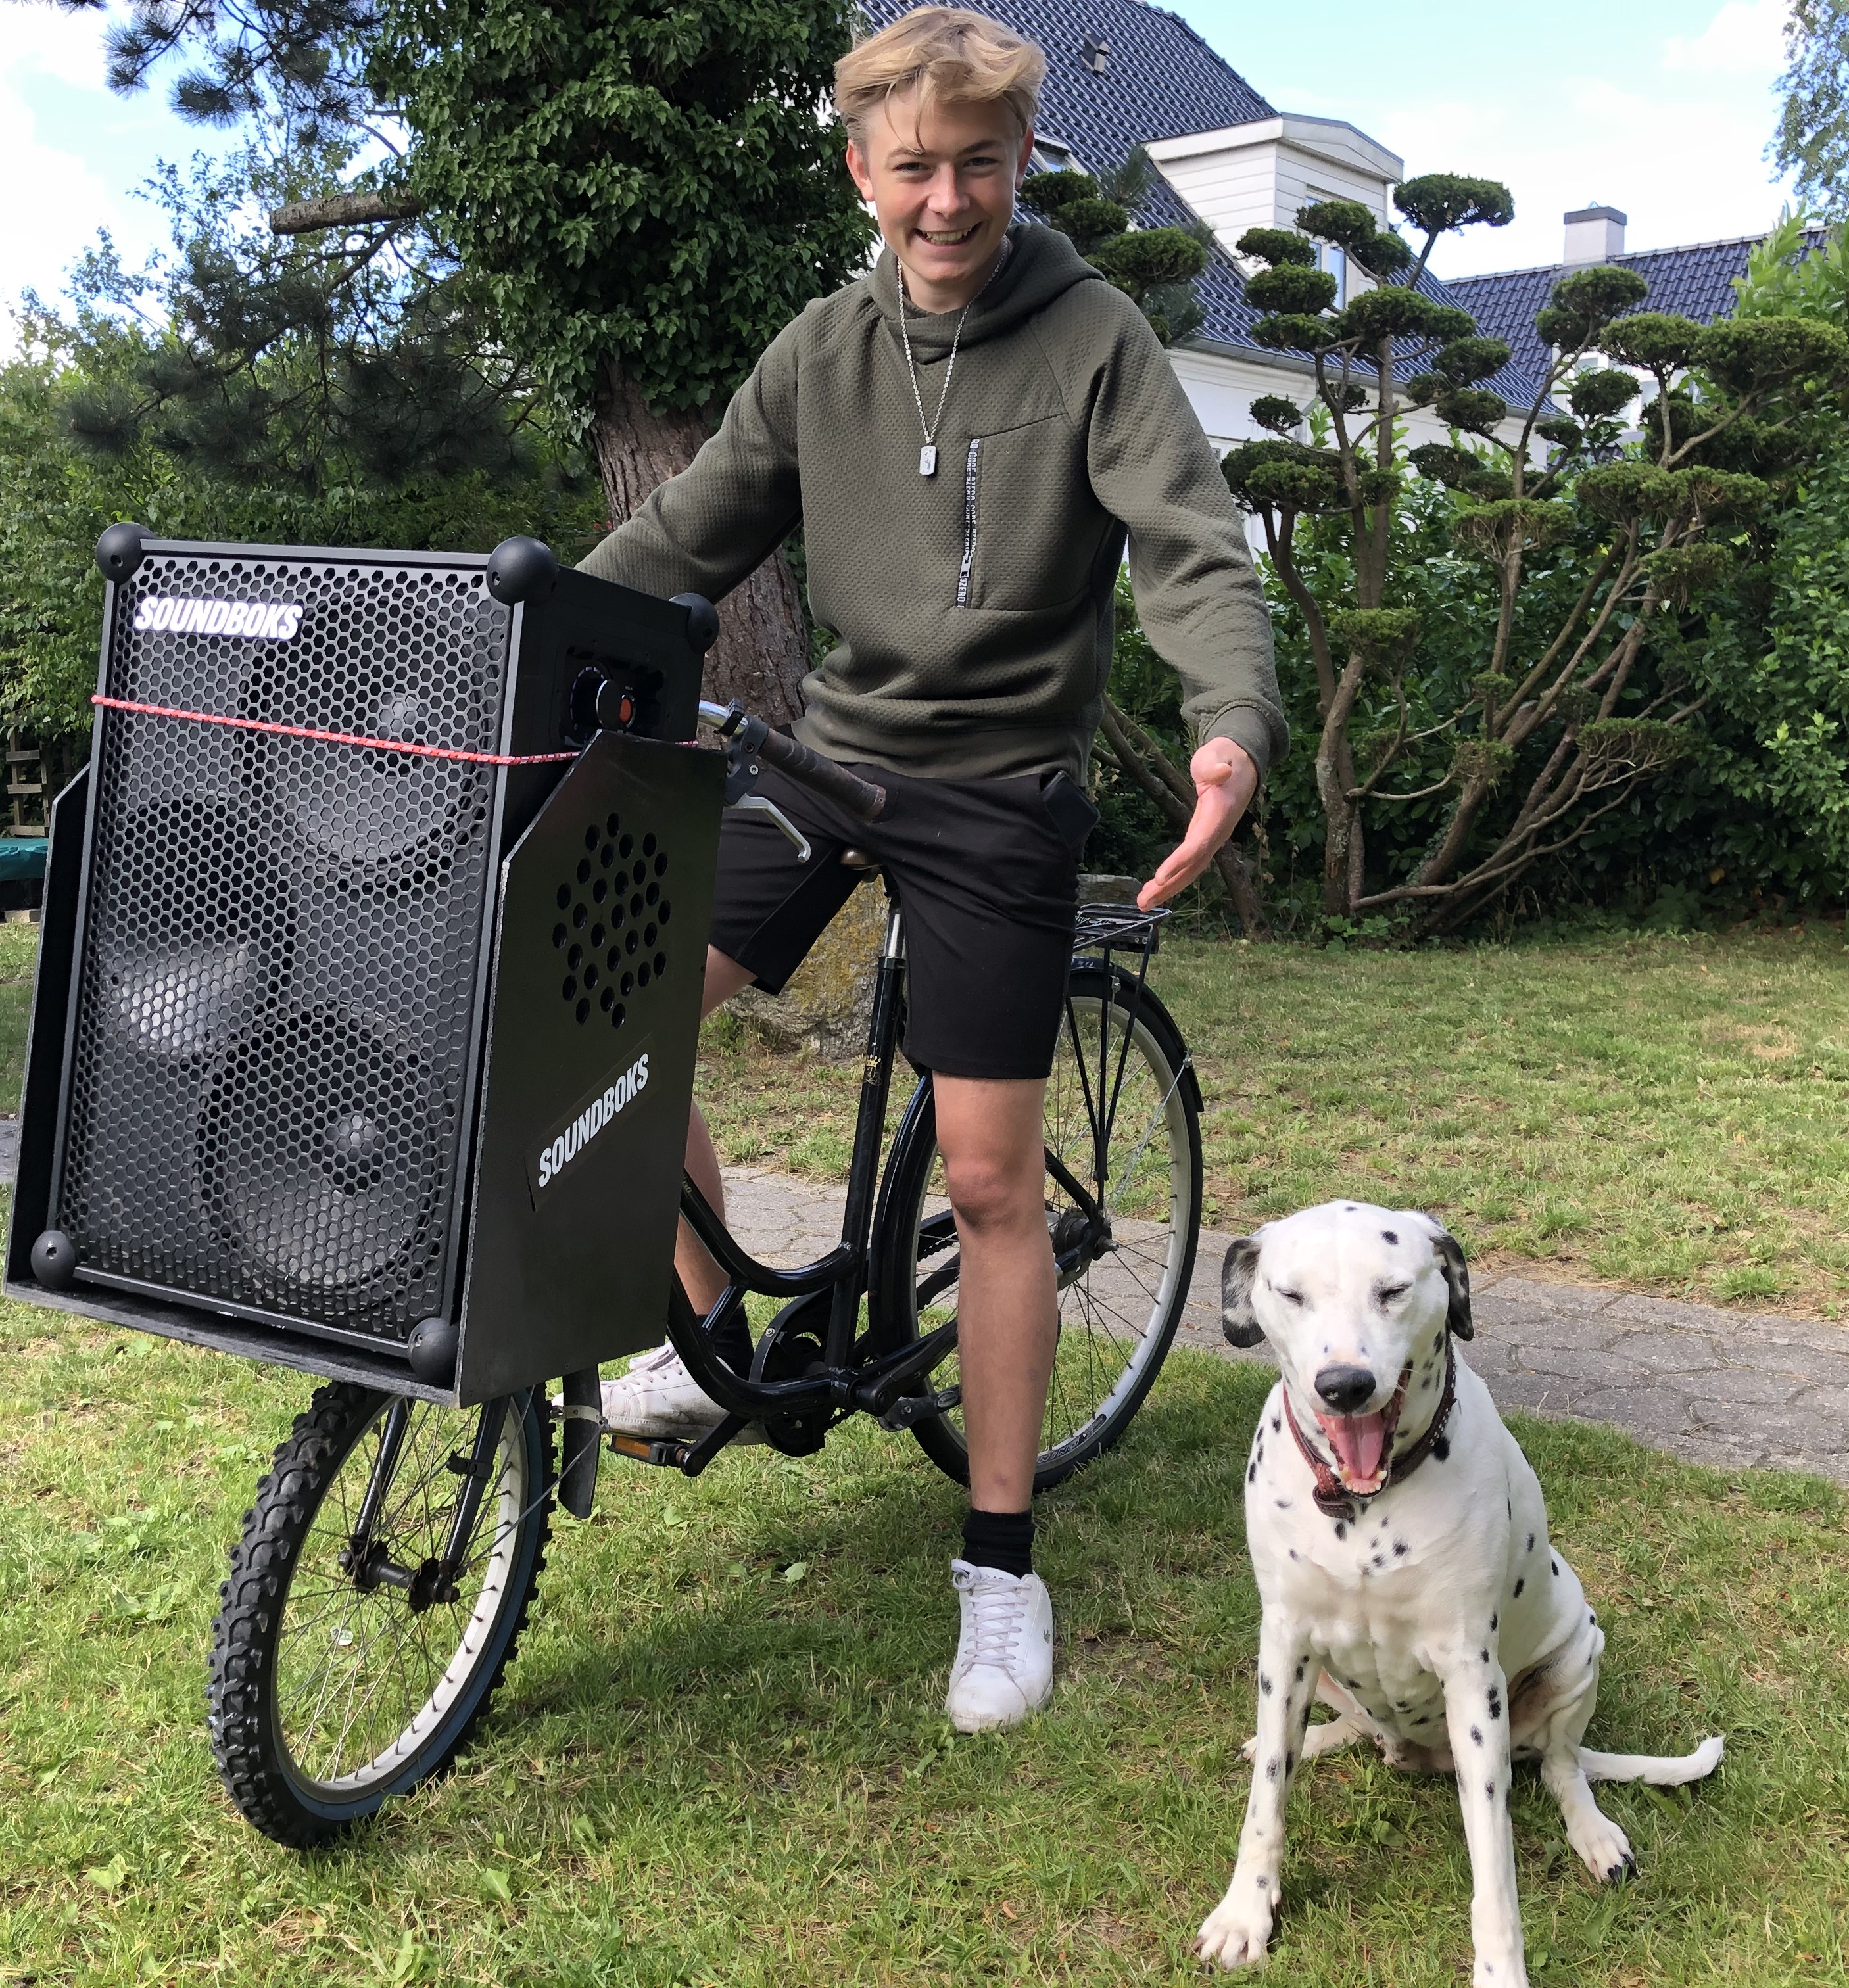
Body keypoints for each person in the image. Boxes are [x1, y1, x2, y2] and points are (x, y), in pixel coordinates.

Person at [578, 3, 1283, 1734]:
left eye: (979, 163)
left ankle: (998, 1569)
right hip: (827, 761)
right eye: (915, 169)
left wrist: (1230, 723)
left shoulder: (1097, 338)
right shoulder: (820, 353)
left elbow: (1194, 548)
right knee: (614, 1019)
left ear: (1022, 158)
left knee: (986, 1181)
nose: (949, 200)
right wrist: (528, 633)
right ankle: (690, 1345)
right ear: (862, 172)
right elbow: (677, 537)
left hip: (996, 799)